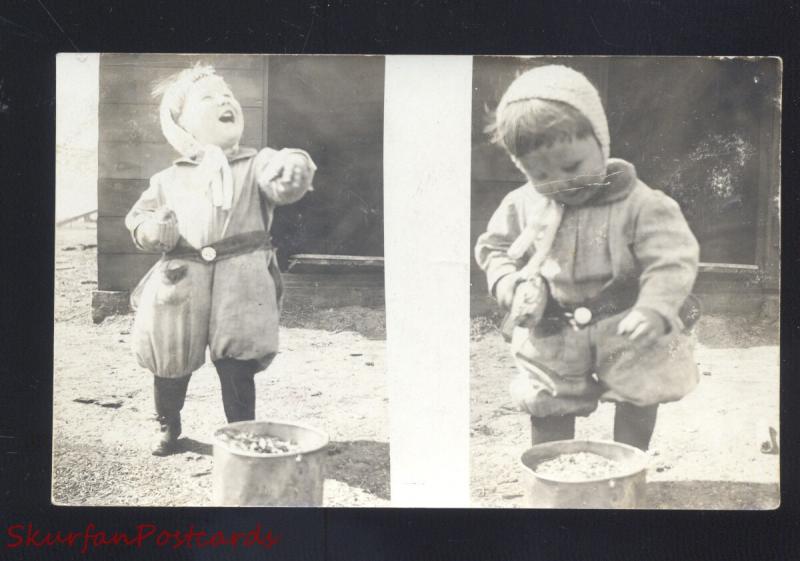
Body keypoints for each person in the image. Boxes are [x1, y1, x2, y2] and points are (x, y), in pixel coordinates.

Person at [475, 65, 700, 451]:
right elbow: (494, 247)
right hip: (554, 325)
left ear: (601, 142)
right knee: (548, 397)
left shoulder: (641, 204)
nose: (560, 182)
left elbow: (673, 257)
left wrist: (655, 307)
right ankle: (553, 466)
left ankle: (629, 464)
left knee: (639, 391)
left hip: (627, 321)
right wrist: (508, 282)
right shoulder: (523, 204)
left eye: (573, 166)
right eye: (539, 173)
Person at [125, 63, 317, 456]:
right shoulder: (169, 178)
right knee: (170, 359)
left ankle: (240, 433)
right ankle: (169, 425)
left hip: (241, 277)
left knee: (237, 360)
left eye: (228, 95)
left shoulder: (256, 164)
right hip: (180, 279)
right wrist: (151, 229)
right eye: (209, 98)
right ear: (181, 124)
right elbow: (139, 218)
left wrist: (292, 166)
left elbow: (280, 180)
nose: (225, 100)